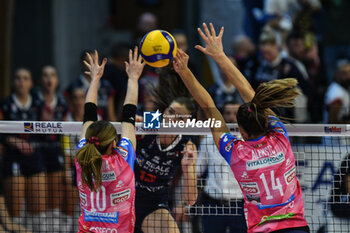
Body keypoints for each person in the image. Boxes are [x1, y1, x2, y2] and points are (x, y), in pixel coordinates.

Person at [173, 22, 309, 232]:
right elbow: (249, 92)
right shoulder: (280, 138)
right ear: (265, 122)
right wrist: (220, 56)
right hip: (296, 227)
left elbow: (209, 108)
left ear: (241, 132)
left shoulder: (237, 153)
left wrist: (184, 72)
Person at [75, 48, 144, 232]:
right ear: (114, 143)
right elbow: (129, 115)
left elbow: (89, 115)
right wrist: (133, 78)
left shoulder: (81, 157)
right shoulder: (123, 159)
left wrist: (94, 79)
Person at [134, 69, 198, 233]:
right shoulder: (150, 122)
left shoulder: (186, 146)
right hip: (124, 197)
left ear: (186, 125)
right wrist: (132, 129)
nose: (171, 119)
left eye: (180, 118)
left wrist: (187, 169)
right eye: (170, 112)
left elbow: (191, 200)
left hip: (154, 205)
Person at [0, 68, 47, 232]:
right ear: (13, 83)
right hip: (13, 159)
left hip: (35, 158)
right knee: (15, 212)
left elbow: (45, 134)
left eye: (25, 78)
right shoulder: (4, 104)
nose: (21, 81)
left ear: (31, 83)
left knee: (38, 211)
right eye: (18, 78)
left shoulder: (38, 104)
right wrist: (14, 141)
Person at [196, 101, 247, 233]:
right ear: (222, 115)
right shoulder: (208, 139)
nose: (231, 117)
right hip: (213, 204)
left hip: (240, 205)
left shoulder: (247, 142)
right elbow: (197, 171)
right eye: (228, 113)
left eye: (235, 114)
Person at [35, 65, 69, 231]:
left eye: (52, 75)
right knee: (40, 203)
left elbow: (65, 133)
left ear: (56, 80)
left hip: (55, 151)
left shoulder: (62, 103)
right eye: (45, 75)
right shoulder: (34, 101)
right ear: (40, 80)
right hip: (36, 152)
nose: (49, 79)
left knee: (55, 202)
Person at [64, 50, 117, 122]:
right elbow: (72, 112)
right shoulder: (74, 85)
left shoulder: (107, 87)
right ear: (82, 64)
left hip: (103, 127)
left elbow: (111, 115)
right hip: (82, 126)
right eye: (88, 61)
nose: (92, 65)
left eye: (94, 61)